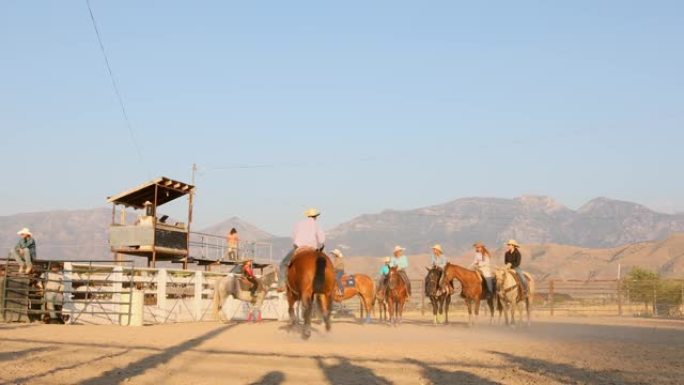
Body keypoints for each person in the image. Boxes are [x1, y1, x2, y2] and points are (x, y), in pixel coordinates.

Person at [278, 208, 326, 286]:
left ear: (308, 216)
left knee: (283, 264)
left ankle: (282, 284)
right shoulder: (316, 224)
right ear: (316, 216)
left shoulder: (299, 223)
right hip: (312, 249)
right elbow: (321, 239)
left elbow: (293, 236)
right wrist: (321, 245)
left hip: (299, 247)